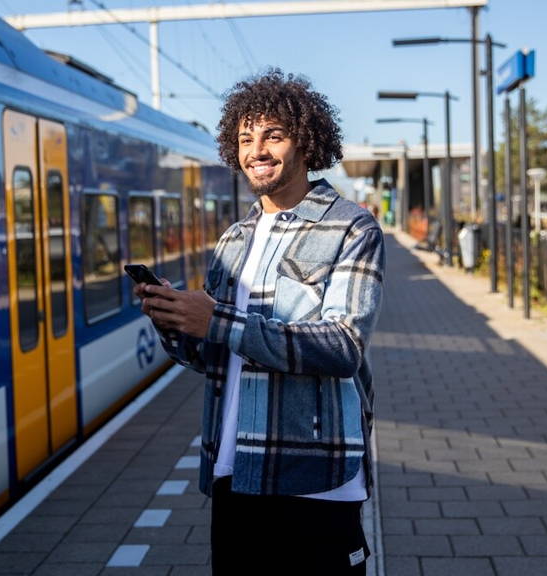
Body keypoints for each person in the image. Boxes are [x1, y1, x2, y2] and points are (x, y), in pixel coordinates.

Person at [135, 69, 385, 575]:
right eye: (246, 138)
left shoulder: (351, 226)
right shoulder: (235, 238)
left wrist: (220, 321)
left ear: (306, 142)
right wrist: (175, 321)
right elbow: (214, 357)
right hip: (234, 469)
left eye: (274, 135)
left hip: (315, 475)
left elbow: (342, 347)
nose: (257, 150)